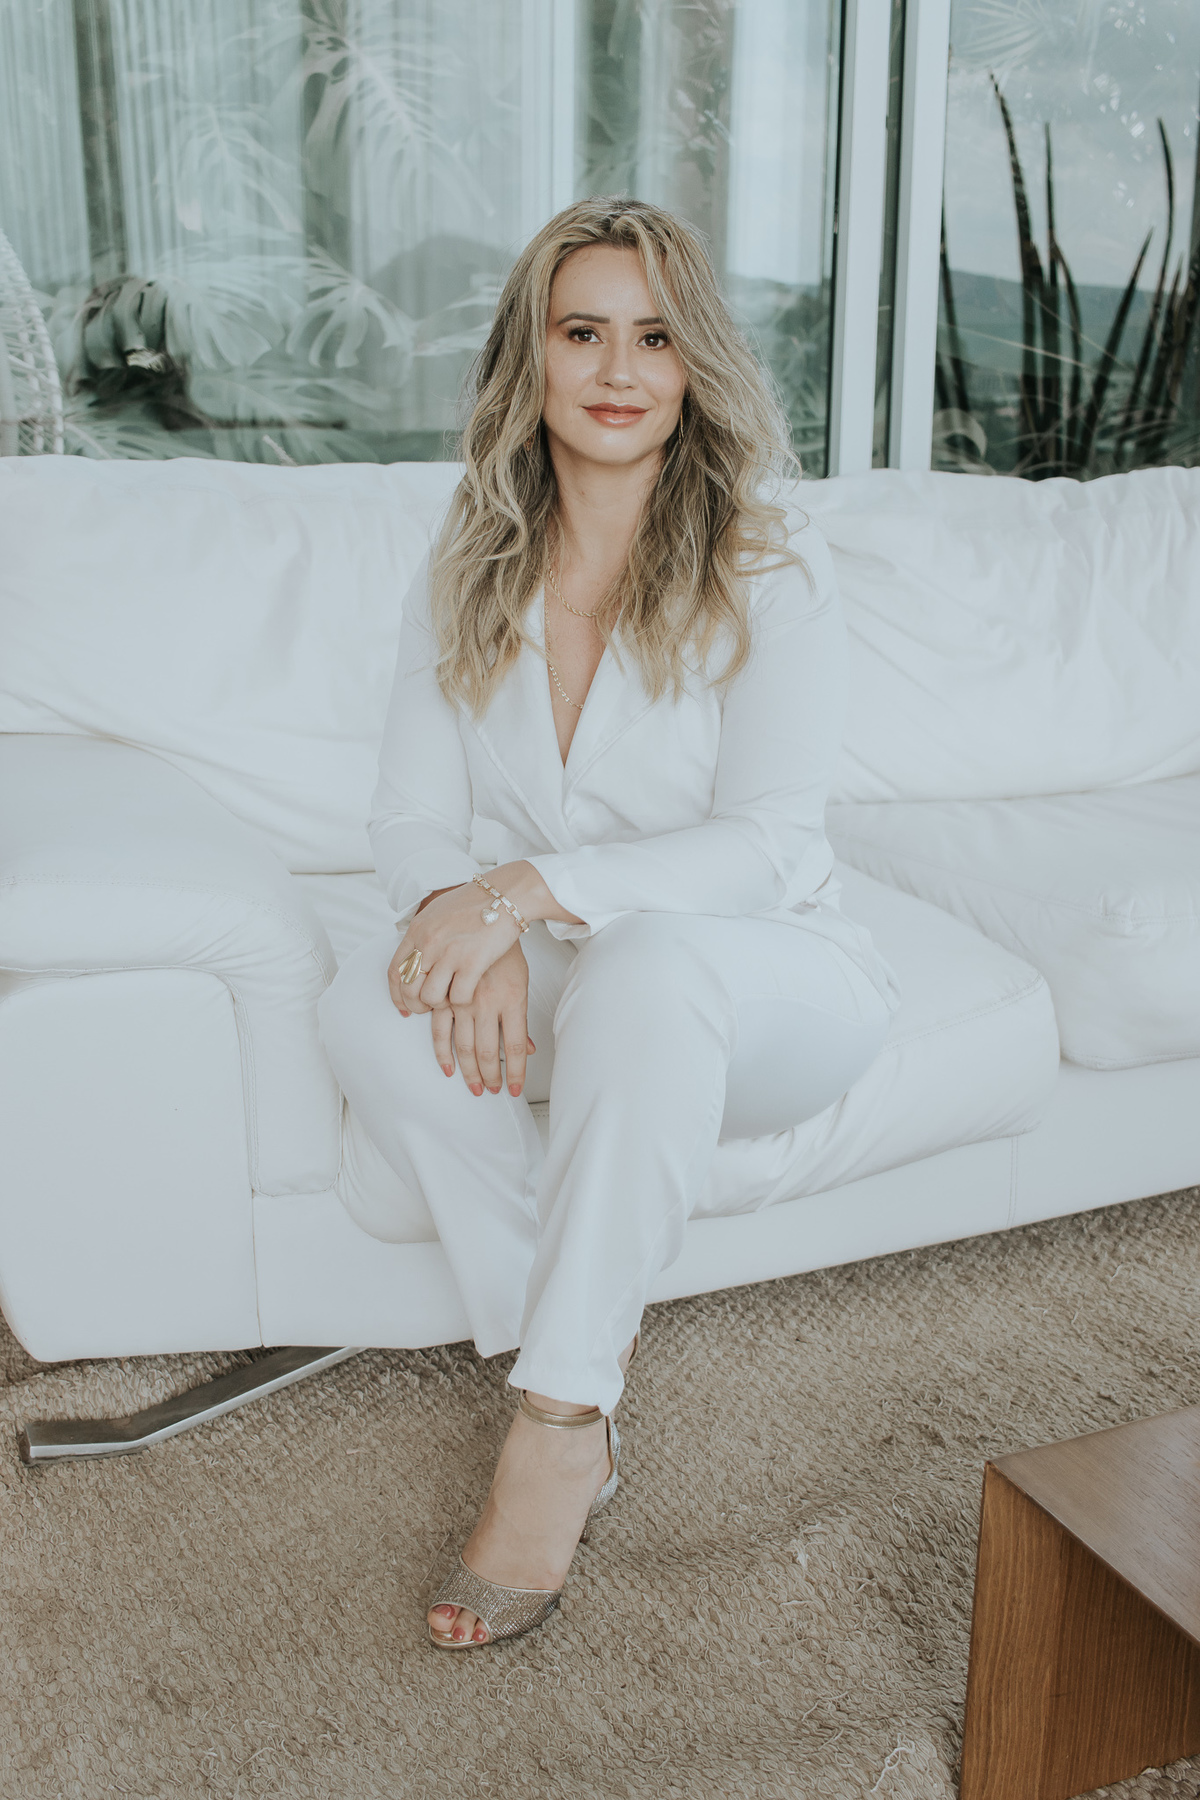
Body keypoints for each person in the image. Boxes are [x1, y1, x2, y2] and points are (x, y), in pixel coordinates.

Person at [317, 197, 899, 1652]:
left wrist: (517, 893)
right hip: (586, 968)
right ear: (533, 358)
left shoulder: (770, 561)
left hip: (775, 982)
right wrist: (460, 918)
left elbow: (769, 846)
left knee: (643, 961)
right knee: (368, 994)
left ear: (695, 364)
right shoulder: (471, 556)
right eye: (583, 333)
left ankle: (560, 1423)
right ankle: (554, 1334)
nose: (620, 370)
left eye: (655, 336)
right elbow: (407, 818)